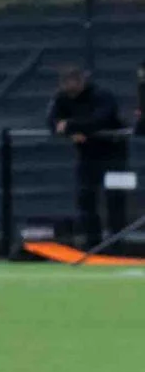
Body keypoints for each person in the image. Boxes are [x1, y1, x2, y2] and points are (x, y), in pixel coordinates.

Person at [48, 67, 128, 250]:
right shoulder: (61, 99)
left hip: (115, 153)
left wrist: (72, 126)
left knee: (115, 198)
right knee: (86, 198)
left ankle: (117, 244)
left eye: (73, 84)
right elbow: (53, 122)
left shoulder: (101, 95)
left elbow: (100, 120)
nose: (70, 89)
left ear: (82, 82)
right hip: (87, 155)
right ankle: (93, 243)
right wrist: (70, 133)